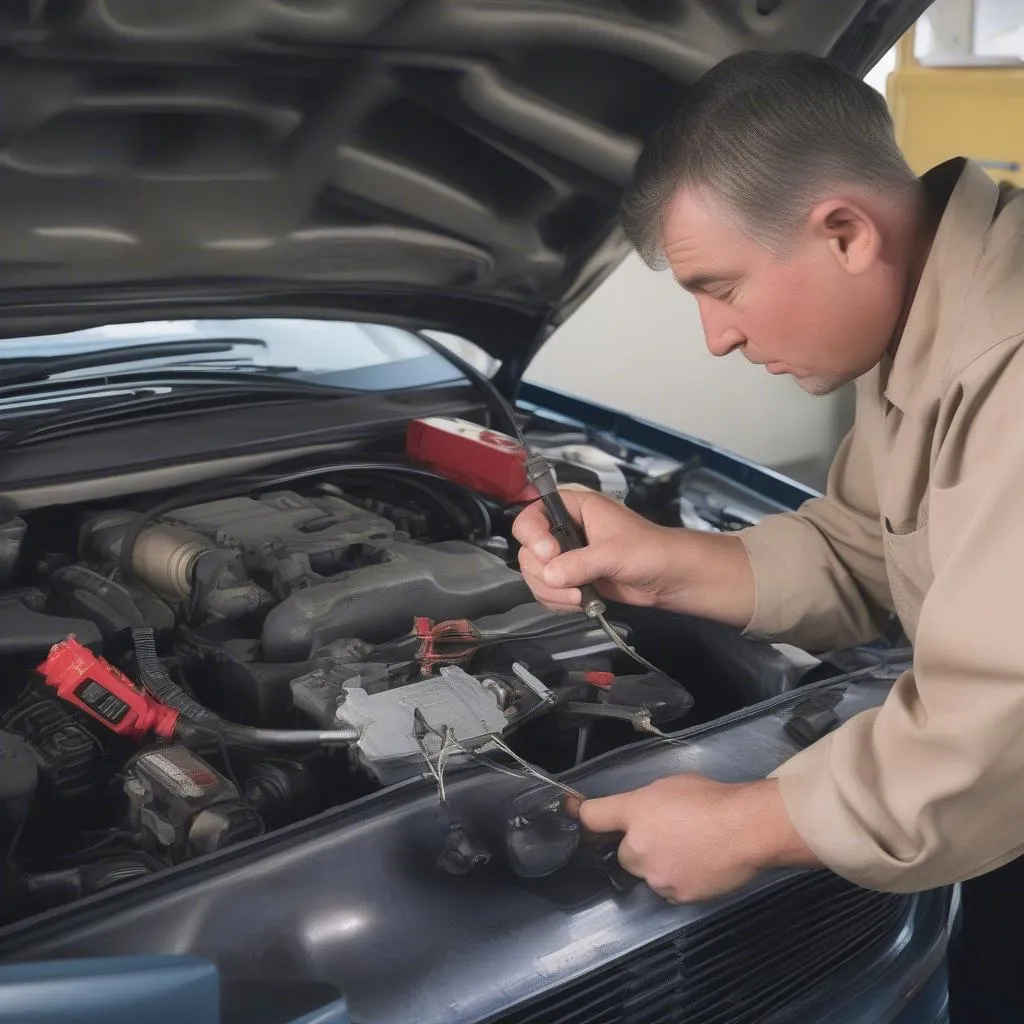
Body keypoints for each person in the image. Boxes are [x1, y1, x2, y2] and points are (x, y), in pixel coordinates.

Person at [512, 51, 1024, 1022]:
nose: (715, 337)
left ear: (842, 233)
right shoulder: (928, 316)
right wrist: (661, 563)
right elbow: (863, 549)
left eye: (720, 287)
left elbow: (1005, 719)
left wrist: (750, 822)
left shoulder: (1011, 352)